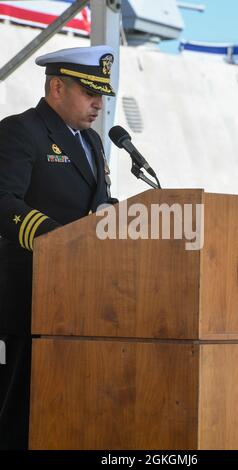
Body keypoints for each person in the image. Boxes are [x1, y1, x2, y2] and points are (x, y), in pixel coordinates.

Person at [0, 44, 116, 449]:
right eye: (90, 93)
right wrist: (60, 241)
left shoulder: (94, 144)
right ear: (56, 88)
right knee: (19, 412)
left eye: (102, 95)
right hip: (27, 294)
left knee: (65, 409)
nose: (98, 104)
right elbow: (5, 201)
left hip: (79, 297)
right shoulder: (21, 130)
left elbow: (97, 205)